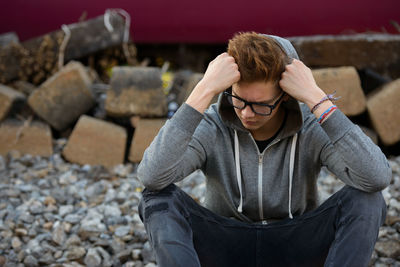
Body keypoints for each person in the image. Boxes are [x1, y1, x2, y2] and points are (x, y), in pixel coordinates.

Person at [137, 32, 392, 267]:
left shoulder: (312, 126)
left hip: (297, 247)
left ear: (285, 96)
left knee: (366, 199)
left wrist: (316, 97)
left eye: (261, 105)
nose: (247, 113)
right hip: (225, 247)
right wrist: (204, 89)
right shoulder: (212, 124)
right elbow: (152, 176)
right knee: (157, 199)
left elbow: (376, 177)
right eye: (239, 100)